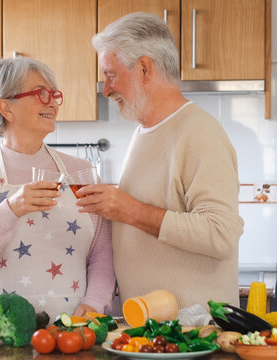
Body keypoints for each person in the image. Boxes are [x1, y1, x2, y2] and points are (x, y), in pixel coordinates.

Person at [77, 12, 244, 310]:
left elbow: (221, 235)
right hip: (155, 336)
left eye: (111, 74)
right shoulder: (143, 133)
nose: (106, 89)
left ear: (143, 68)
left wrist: (130, 211)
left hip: (194, 336)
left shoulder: (199, 134)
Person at [0, 57, 115, 326]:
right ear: (6, 108)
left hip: (71, 335)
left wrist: (95, 301)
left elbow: (102, 252)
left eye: (55, 94)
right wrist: (10, 210)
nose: (53, 102)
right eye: (41, 93)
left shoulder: (82, 174)